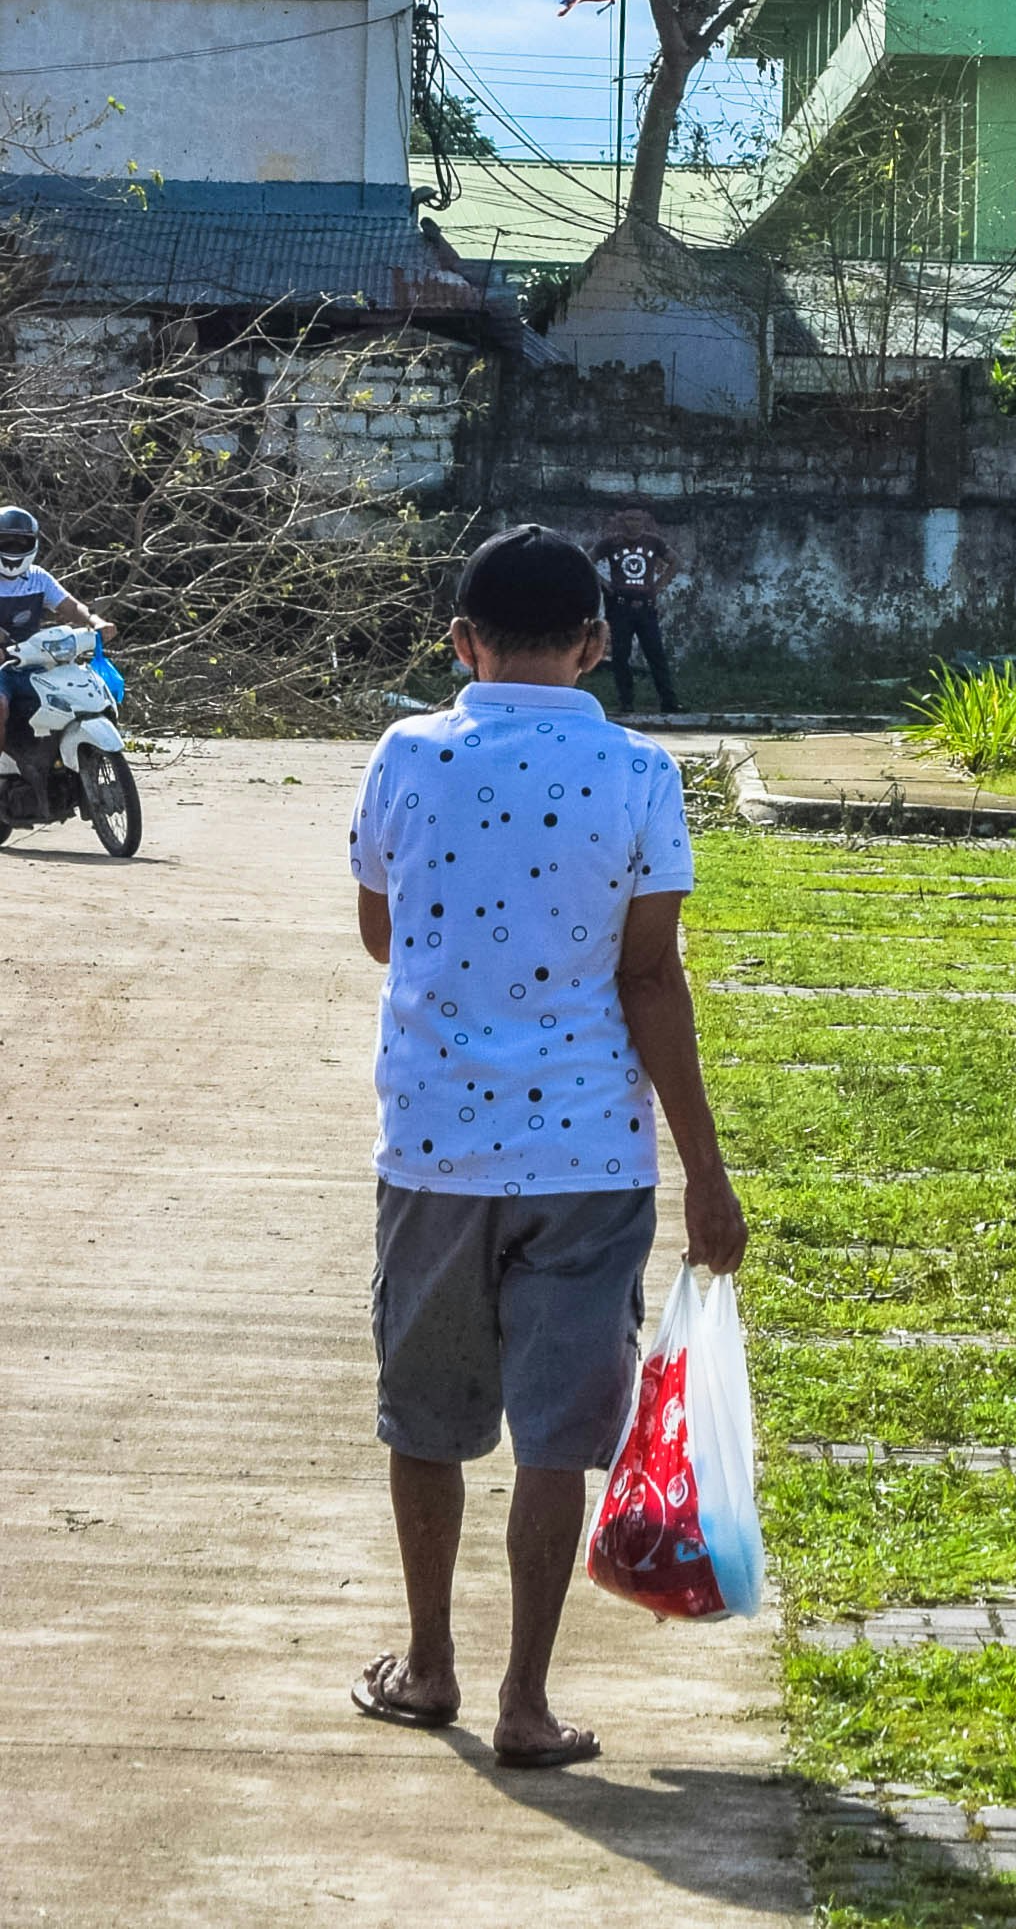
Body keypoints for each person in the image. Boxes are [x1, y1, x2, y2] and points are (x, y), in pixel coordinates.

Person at [346, 521, 746, 1766]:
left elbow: (379, 930)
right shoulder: (639, 773)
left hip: (434, 1148)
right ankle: (525, 1696)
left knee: (427, 1416)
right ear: (596, 638)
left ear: (460, 641)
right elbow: (651, 977)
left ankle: (427, 1664)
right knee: (557, 1434)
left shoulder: (407, 753)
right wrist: (707, 1171)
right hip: (589, 1155)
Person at [0, 505, 114, 816]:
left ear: (33, 544)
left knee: (72, 695)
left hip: (34, 661)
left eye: (19, 543)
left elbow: (69, 607)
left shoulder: (38, 578)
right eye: (6, 542)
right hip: (1, 669)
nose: (12, 550)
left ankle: (58, 765)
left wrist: (94, 621)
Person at [590, 505, 685, 717]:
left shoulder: (654, 542)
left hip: (646, 607)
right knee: (621, 657)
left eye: (637, 519)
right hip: (620, 606)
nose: (633, 523)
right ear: (622, 520)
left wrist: (658, 586)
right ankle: (626, 703)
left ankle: (669, 702)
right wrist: (604, 583)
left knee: (656, 655)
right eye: (629, 519)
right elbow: (587, 560)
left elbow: (676, 561)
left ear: (644, 520)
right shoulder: (611, 543)